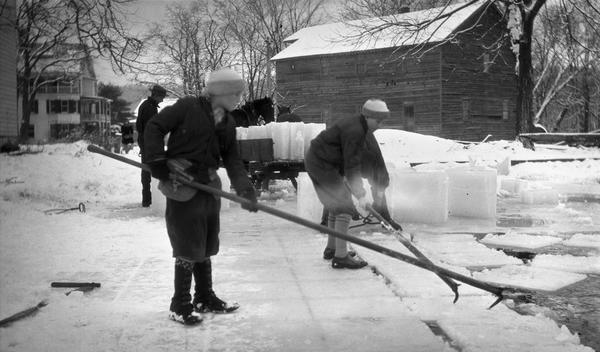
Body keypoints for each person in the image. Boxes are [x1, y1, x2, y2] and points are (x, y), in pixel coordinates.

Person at [143, 68, 258, 325]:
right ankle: (179, 304)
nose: (238, 98)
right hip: (182, 184)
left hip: (208, 185)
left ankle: (204, 297)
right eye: (235, 93)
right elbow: (154, 127)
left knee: (205, 243)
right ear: (220, 92)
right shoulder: (187, 107)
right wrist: (158, 163)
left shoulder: (227, 121)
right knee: (187, 244)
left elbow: (231, 158)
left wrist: (245, 188)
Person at [305, 99, 390, 269]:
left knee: (335, 206)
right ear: (368, 117)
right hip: (323, 164)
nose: (380, 125)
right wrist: (361, 194)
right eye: (378, 121)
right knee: (344, 208)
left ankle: (332, 248)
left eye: (382, 121)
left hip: (321, 161)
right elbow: (352, 165)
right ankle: (341, 257)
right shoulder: (356, 131)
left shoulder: (358, 126)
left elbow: (347, 161)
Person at [136, 84, 167, 207]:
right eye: (162, 97)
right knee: (149, 171)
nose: (163, 99)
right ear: (156, 95)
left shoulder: (147, 105)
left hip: (146, 144)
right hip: (149, 145)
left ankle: (148, 199)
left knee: (147, 170)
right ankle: (149, 200)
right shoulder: (149, 108)